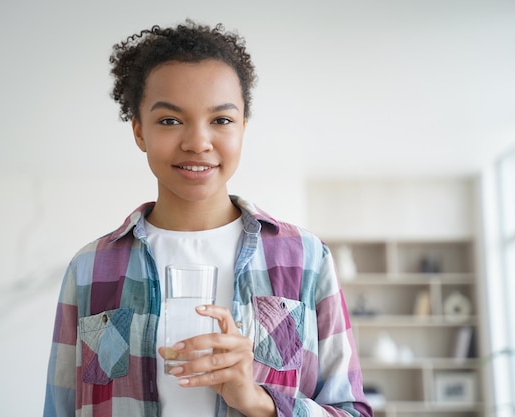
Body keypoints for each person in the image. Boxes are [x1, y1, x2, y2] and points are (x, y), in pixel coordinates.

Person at [43, 20, 373, 417]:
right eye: (169, 120)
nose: (198, 142)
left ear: (243, 129)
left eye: (221, 120)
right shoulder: (90, 268)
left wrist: (258, 401)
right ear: (139, 131)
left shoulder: (305, 258)